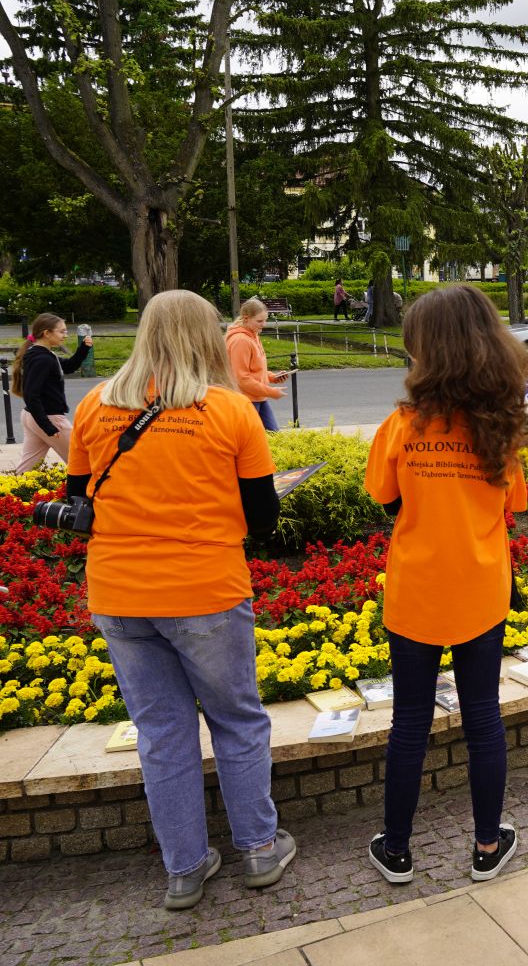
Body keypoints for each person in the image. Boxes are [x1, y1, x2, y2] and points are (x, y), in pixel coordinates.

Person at [67, 290, 291, 910]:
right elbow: (264, 517)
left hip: (118, 592)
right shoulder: (230, 410)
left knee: (161, 732)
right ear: (205, 336)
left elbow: (77, 497)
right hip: (206, 592)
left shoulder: (95, 404)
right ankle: (258, 848)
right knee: (238, 720)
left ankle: (185, 869)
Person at [364, 285, 528, 886]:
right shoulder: (502, 426)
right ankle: (488, 846)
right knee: (483, 713)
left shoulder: (402, 425)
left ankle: (398, 850)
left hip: (416, 590)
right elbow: (513, 503)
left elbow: (383, 496)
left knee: (410, 719)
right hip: (481, 589)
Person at [12, 313, 93, 471]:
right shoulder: (43, 359)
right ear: (46, 333)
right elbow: (31, 394)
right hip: (49, 418)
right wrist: (47, 426)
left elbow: (68, 366)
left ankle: (10, 496)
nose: (65, 335)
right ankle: (85, 495)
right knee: (83, 462)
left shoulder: (45, 354)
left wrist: (84, 348)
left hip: (33, 417)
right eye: (61, 331)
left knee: (27, 469)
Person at [224, 299, 289, 433]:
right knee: (263, 438)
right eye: (260, 321)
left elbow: (253, 370)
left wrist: (272, 376)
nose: (263, 325)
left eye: (265, 320)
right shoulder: (241, 340)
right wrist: (271, 392)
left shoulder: (253, 334)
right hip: (245, 400)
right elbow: (241, 379)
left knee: (273, 436)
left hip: (257, 397)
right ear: (246, 319)